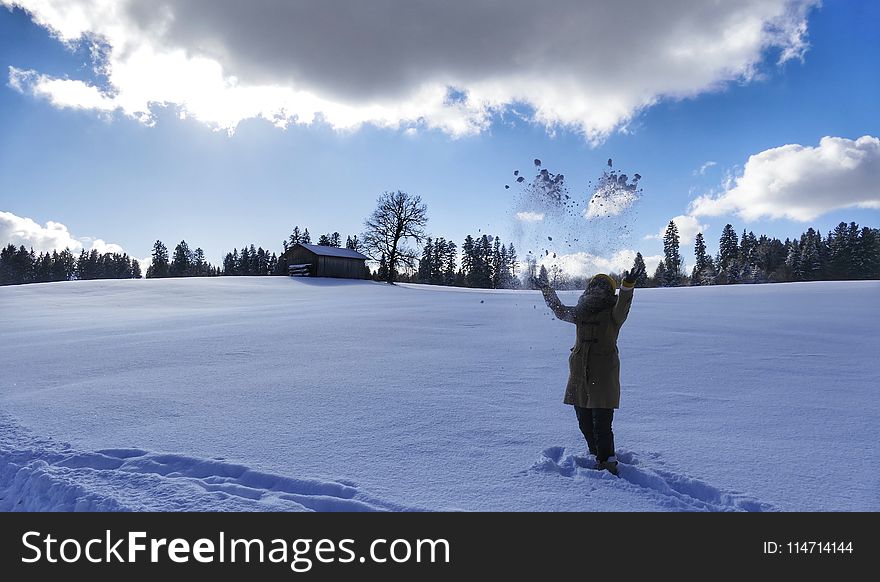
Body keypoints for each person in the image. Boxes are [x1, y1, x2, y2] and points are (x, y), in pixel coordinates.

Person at [537, 264, 644, 476]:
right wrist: (546, 289)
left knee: (602, 424)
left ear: (609, 291)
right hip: (579, 374)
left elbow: (623, 306)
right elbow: (559, 310)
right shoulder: (580, 312)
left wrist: (627, 286)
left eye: (603, 286)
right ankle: (596, 452)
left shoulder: (613, 313)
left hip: (603, 375)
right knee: (584, 422)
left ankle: (607, 463)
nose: (597, 289)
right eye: (595, 285)